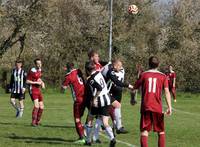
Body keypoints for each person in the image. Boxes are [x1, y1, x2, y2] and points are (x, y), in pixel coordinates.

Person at [131, 56, 172, 147]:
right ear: (159, 64)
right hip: (157, 107)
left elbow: (134, 89)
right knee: (161, 131)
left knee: (145, 131)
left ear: (148, 64)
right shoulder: (163, 76)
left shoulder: (144, 75)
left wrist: (133, 99)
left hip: (146, 107)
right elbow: (166, 92)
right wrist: (169, 107)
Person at [85, 61, 116, 147]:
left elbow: (99, 87)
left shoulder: (90, 79)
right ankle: (112, 138)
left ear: (87, 70)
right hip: (107, 99)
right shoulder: (99, 73)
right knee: (105, 122)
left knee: (90, 119)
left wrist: (94, 99)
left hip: (99, 100)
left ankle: (88, 140)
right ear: (94, 68)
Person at [102, 59, 133, 134]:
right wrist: (128, 85)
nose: (121, 67)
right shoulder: (110, 71)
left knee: (112, 109)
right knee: (104, 113)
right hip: (108, 93)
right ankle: (117, 127)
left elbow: (118, 81)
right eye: (119, 66)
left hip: (115, 92)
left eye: (121, 66)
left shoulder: (121, 70)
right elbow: (116, 82)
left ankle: (117, 126)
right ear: (115, 66)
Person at [61, 62, 86, 144]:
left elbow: (63, 89)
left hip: (78, 100)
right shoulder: (78, 71)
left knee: (77, 119)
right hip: (85, 96)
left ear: (67, 68)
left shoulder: (68, 76)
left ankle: (82, 138)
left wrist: (63, 86)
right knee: (87, 117)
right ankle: (85, 133)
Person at [26, 58, 45, 126]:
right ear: (35, 64)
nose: (39, 65)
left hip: (38, 89)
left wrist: (42, 83)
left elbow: (38, 78)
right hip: (32, 89)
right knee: (36, 106)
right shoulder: (32, 71)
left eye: (40, 63)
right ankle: (33, 122)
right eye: (38, 64)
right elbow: (27, 81)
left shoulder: (39, 70)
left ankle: (38, 121)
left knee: (42, 106)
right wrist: (36, 82)